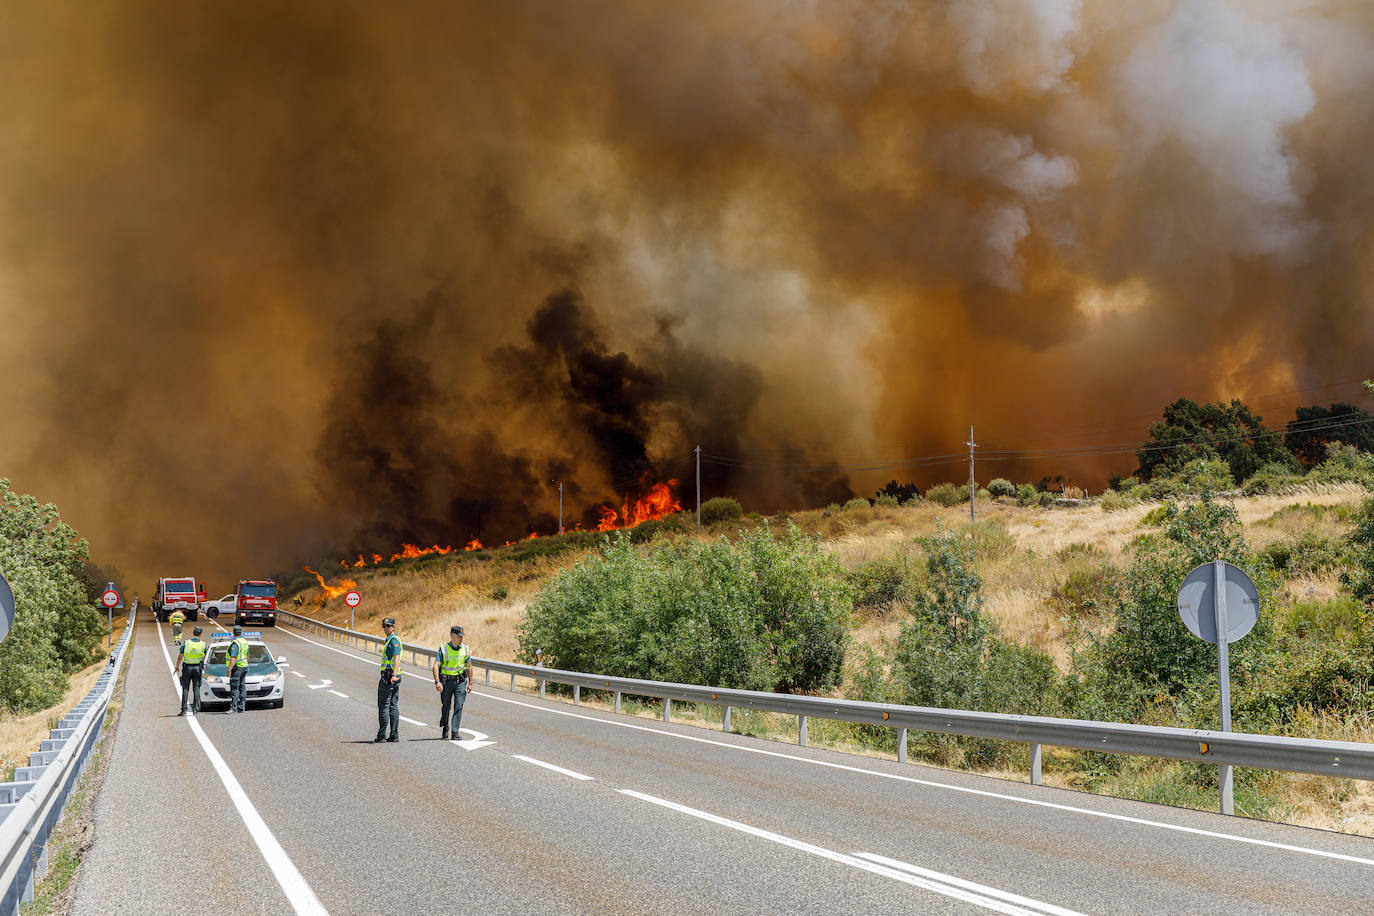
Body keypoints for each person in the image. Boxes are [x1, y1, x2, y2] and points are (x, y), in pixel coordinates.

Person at [431, 625, 473, 740]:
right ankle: (445, 725)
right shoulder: (443, 648)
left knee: (459, 705)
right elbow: (436, 665)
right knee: (446, 706)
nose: (461, 638)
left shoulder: (465, 649)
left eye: (462, 636)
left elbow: (469, 666)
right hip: (446, 682)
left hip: (460, 682)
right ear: (452, 636)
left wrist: (470, 683)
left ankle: (455, 732)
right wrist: (437, 682)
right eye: (458, 636)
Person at [375, 617, 402, 743]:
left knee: (384, 706)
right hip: (393, 677)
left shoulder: (393, 641)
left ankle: (382, 735)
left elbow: (397, 658)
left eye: (388, 626)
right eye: (384, 626)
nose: (386, 628)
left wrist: (394, 675)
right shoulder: (390, 640)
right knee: (392, 706)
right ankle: (394, 735)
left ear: (393, 627)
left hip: (390, 677)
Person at [175, 626, 207, 716]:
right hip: (197, 668)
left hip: (187, 668)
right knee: (196, 689)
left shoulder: (187, 643)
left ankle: (184, 710)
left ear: (193, 633)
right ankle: (195, 710)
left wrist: (177, 666)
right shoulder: (203, 644)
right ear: (200, 634)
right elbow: (204, 656)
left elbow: (180, 655)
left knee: (185, 689)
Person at [226, 624, 250, 714]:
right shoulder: (244, 642)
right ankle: (242, 707)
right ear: (241, 633)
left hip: (237, 668)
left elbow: (233, 658)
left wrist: (229, 670)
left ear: (233, 633)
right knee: (242, 687)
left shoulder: (235, 644)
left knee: (235, 688)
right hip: (244, 667)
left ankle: (233, 708)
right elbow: (248, 655)